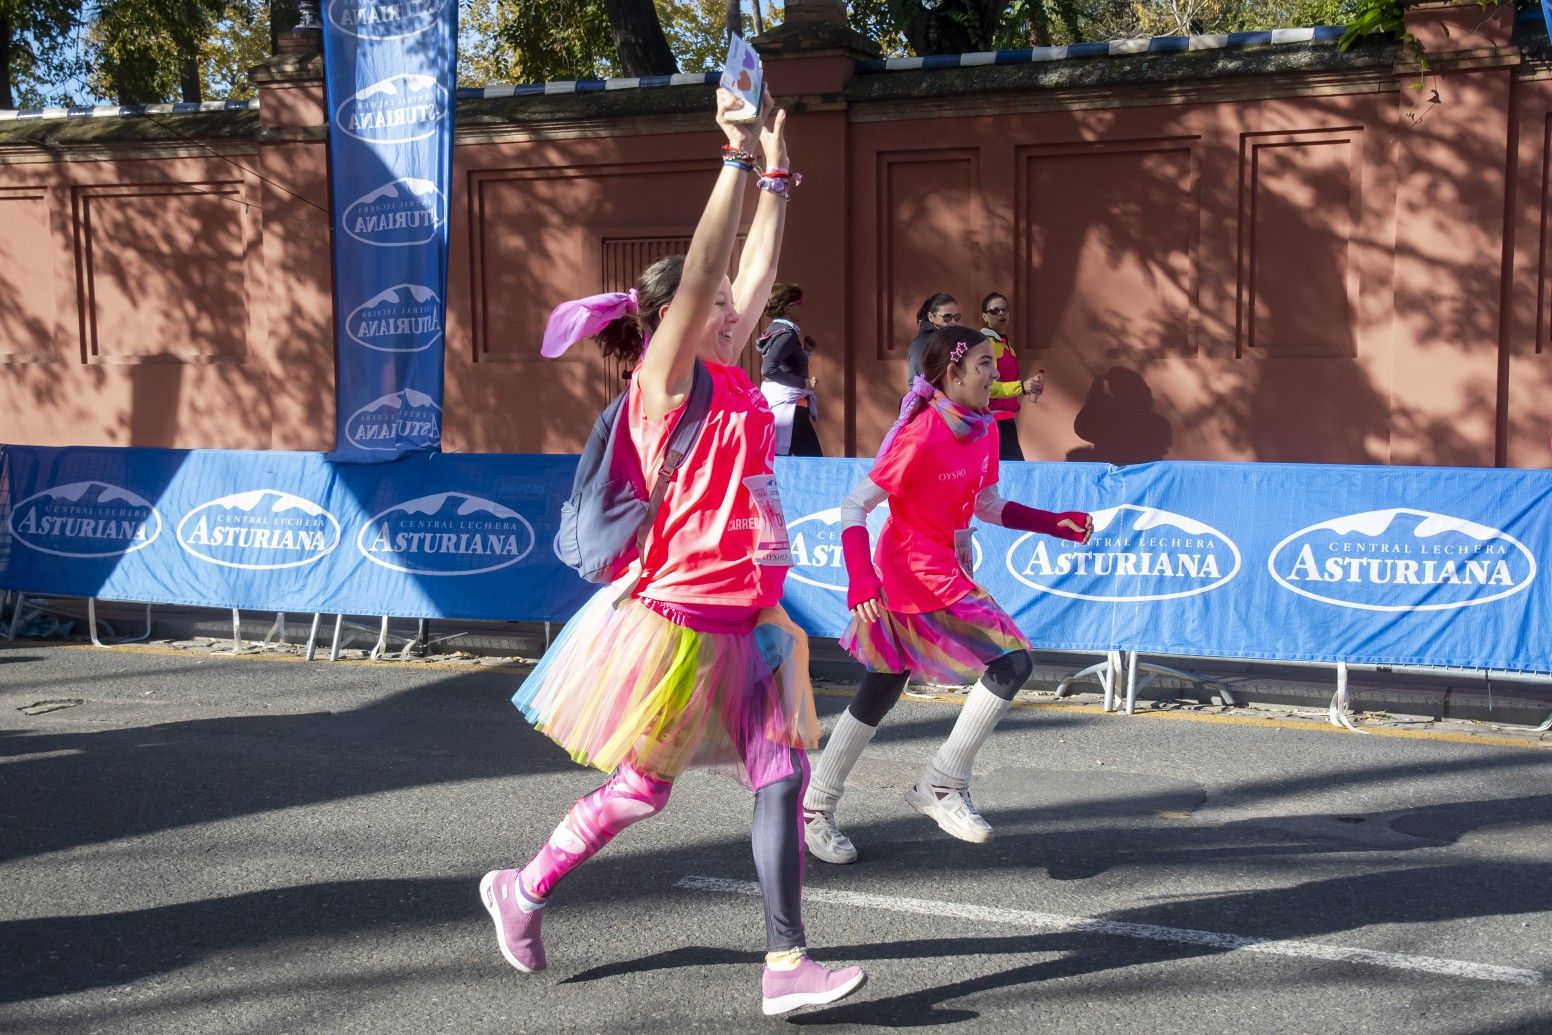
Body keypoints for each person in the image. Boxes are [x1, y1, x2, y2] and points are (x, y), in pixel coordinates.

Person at [482, 89, 867, 1017]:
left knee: (784, 772)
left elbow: (756, 261)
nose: (740, 312)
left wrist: (778, 168)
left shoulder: (735, 376)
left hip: (755, 616)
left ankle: (785, 964)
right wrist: (731, 160)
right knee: (642, 791)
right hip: (677, 619)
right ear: (674, 320)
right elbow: (707, 268)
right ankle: (522, 887)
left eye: (741, 307)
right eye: (720, 306)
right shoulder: (666, 380)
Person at [801, 323, 1094, 864]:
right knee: (1012, 662)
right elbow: (853, 507)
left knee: (884, 683)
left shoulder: (983, 428)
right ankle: (942, 782)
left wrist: (1054, 523)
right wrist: (860, 578)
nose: (996, 373)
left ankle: (815, 807)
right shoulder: (921, 435)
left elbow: (987, 505)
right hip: (911, 570)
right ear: (951, 373)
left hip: (939, 566)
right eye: (985, 364)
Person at [756, 283, 822, 456]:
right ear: (788, 307)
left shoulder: (776, 330)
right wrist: (803, 384)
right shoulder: (786, 333)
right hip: (790, 408)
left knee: (784, 459)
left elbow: (785, 363)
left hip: (786, 405)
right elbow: (768, 369)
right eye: (799, 303)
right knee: (812, 463)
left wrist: (804, 352)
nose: (803, 307)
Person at [978, 292, 1045, 462]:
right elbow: (986, 387)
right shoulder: (986, 345)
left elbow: (1006, 383)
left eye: (1005, 309)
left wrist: (1029, 387)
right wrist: (1022, 387)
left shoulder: (1006, 344)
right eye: (995, 311)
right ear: (985, 316)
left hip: (1006, 420)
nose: (1001, 314)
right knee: (1013, 476)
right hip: (992, 420)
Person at [905, 292, 960, 387]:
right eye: (947, 317)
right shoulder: (922, 343)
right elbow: (917, 384)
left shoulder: (951, 337)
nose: (953, 322)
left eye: (956, 317)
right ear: (931, 317)